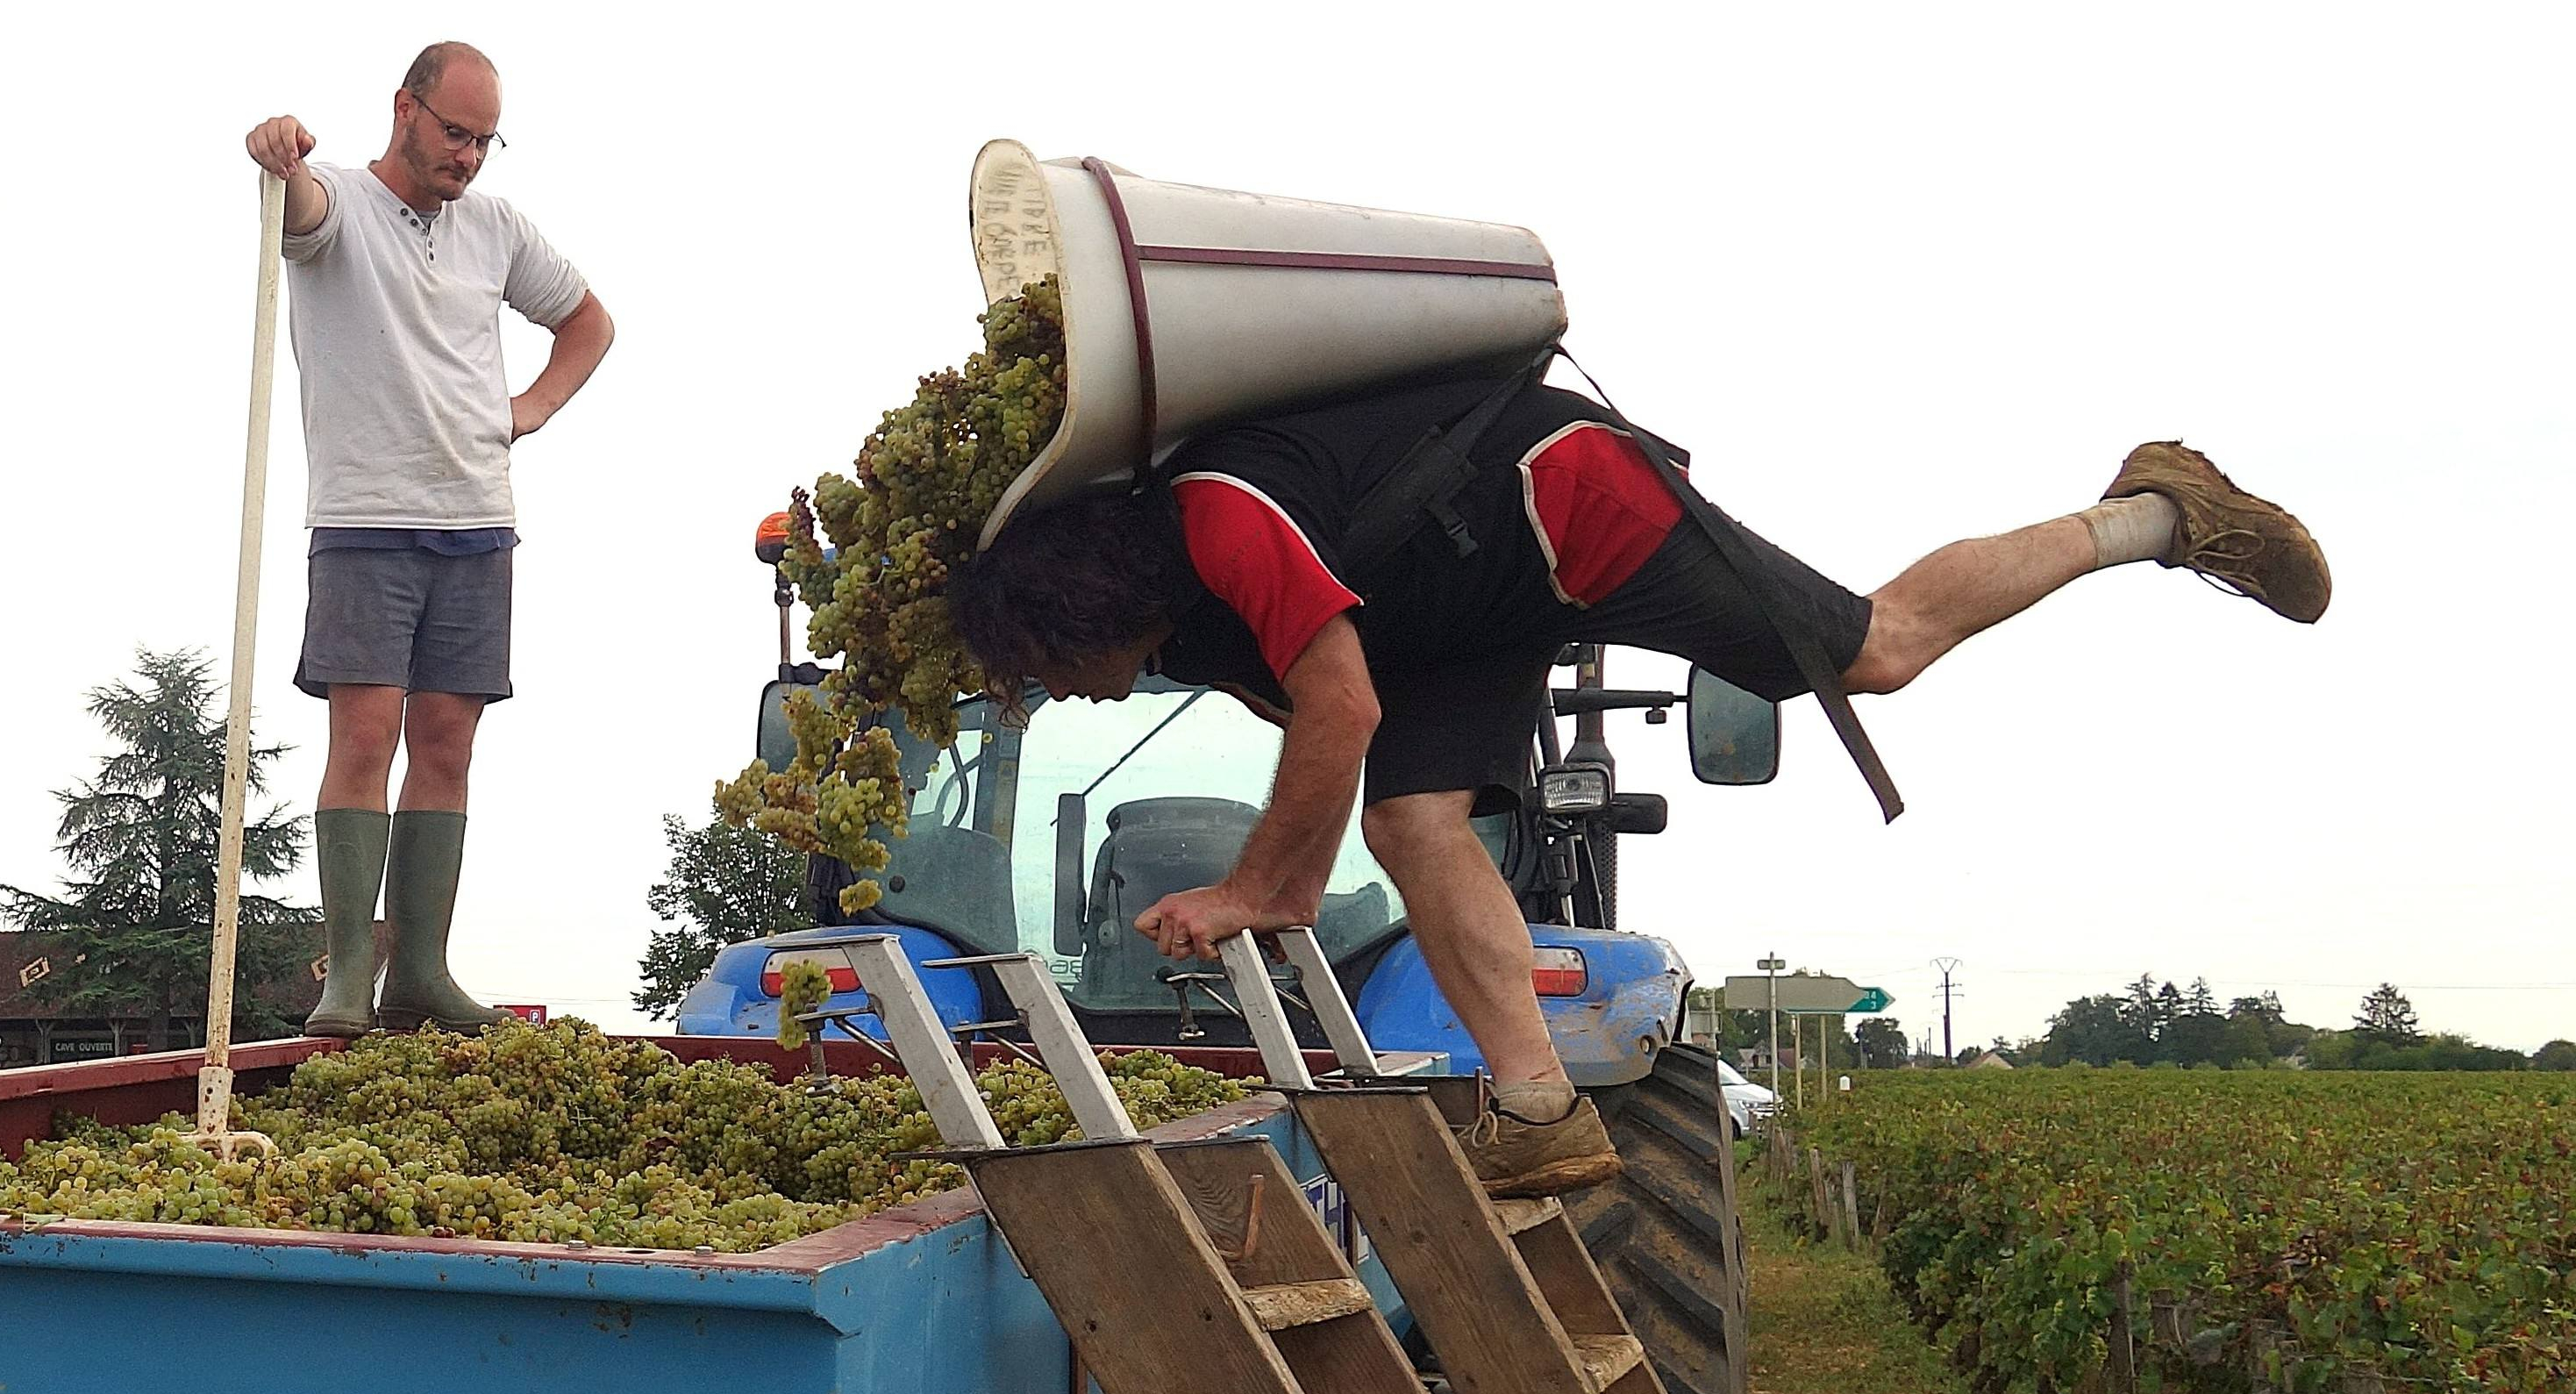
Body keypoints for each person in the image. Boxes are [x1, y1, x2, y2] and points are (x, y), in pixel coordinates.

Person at [945, 375, 2326, 1194]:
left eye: (1053, 665)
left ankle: (2152, 513)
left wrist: (1264, 886)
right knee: (1416, 820)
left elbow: (1344, 707)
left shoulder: (1220, 521)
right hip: (1459, 600)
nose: (1065, 692)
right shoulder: (1185, 620)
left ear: (1088, 605)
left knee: (1880, 648)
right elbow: (1340, 723)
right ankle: (1540, 1113)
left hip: (1558, 503)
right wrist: (1281, 873)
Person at [246, 42, 613, 1035]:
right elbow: (302, 213)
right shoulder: (338, 203)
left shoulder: (497, 227)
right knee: (364, 734)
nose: (469, 157)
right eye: (456, 133)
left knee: (446, 742)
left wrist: (532, 407)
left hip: (477, 521)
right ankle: (348, 978)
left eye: (486, 141)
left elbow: (588, 322)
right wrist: (280, 156)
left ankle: (421, 973)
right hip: (365, 519)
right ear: (405, 108)